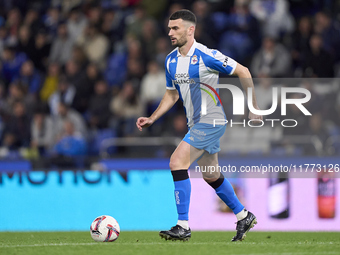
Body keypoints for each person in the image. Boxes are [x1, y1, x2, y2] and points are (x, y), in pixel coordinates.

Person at [136, 10, 262, 242]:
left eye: (175, 28)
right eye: (169, 28)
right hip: (196, 123)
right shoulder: (171, 60)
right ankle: (243, 215)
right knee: (211, 174)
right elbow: (171, 95)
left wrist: (253, 107)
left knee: (176, 162)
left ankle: (182, 225)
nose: (170, 32)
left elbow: (243, 71)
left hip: (211, 120)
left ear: (190, 29)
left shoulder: (206, 55)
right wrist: (153, 117)